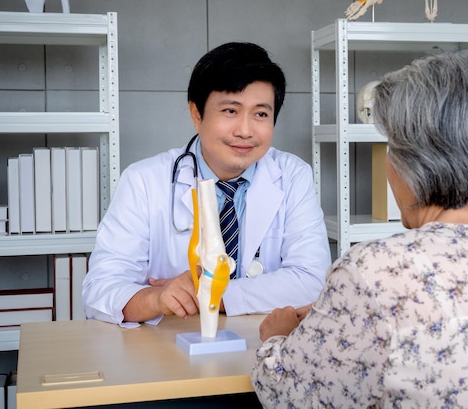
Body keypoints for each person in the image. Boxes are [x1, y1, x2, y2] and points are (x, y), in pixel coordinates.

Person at [251, 53, 468, 407]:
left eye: (390, 146)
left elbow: (286, 394)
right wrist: (345, 311)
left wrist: (277, 338)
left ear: (414, 158)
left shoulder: (374, 270)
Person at [82, 42, 331, 326]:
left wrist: (213, 295)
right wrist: (157, 298)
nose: (245, 131)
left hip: (262, 344)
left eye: (261, 114)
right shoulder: (143, 181)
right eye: (230, 111)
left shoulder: (292, 176)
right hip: (169, 352)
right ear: (196, 114)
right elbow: (99, 290)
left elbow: (313, 281)